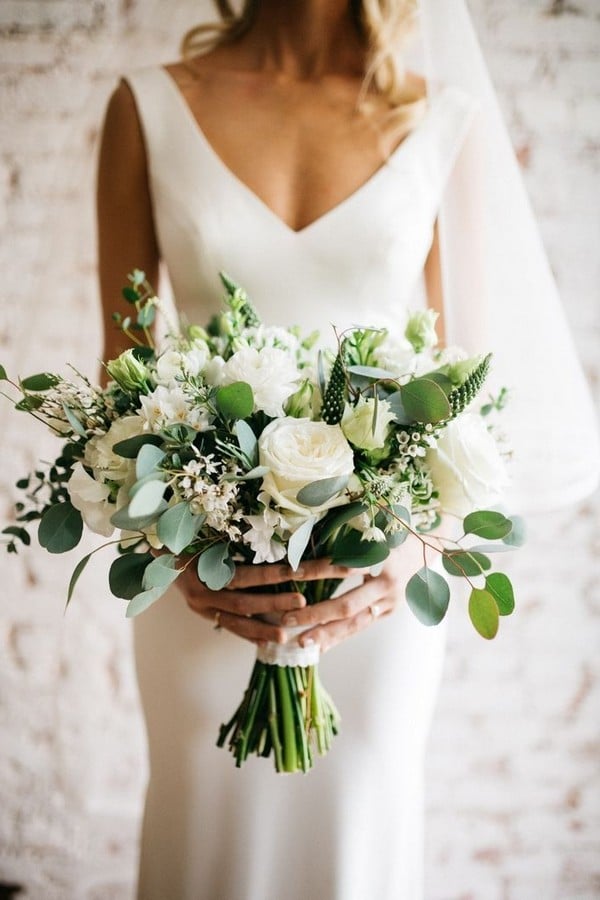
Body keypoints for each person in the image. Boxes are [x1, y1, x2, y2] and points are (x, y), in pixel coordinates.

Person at [95, 1, 598, 898]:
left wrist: (409, 552)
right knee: (205, 828)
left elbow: (476, 386)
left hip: (377, 591)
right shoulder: (148, 108)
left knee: (359, 832)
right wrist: (174, 553)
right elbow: (121, 386)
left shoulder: (440, 121)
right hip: (202, 581)